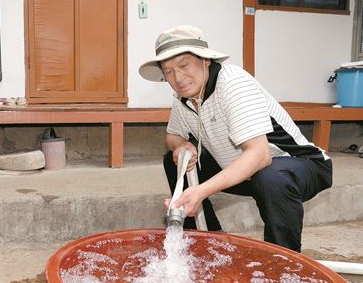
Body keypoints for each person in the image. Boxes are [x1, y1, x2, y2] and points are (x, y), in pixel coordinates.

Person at [139, 25, 332, 252]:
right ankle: (208, 243)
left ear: (205, 60)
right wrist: (181, 146)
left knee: (271, 177)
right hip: (245, 170)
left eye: (183, 65)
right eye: (168, 71)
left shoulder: (233, 84)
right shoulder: (184, 97)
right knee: (174, 161)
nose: (178, 77)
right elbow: (173, 135)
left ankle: (283, 262)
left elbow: (260, 155)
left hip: (300, 165)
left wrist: (200, 191)